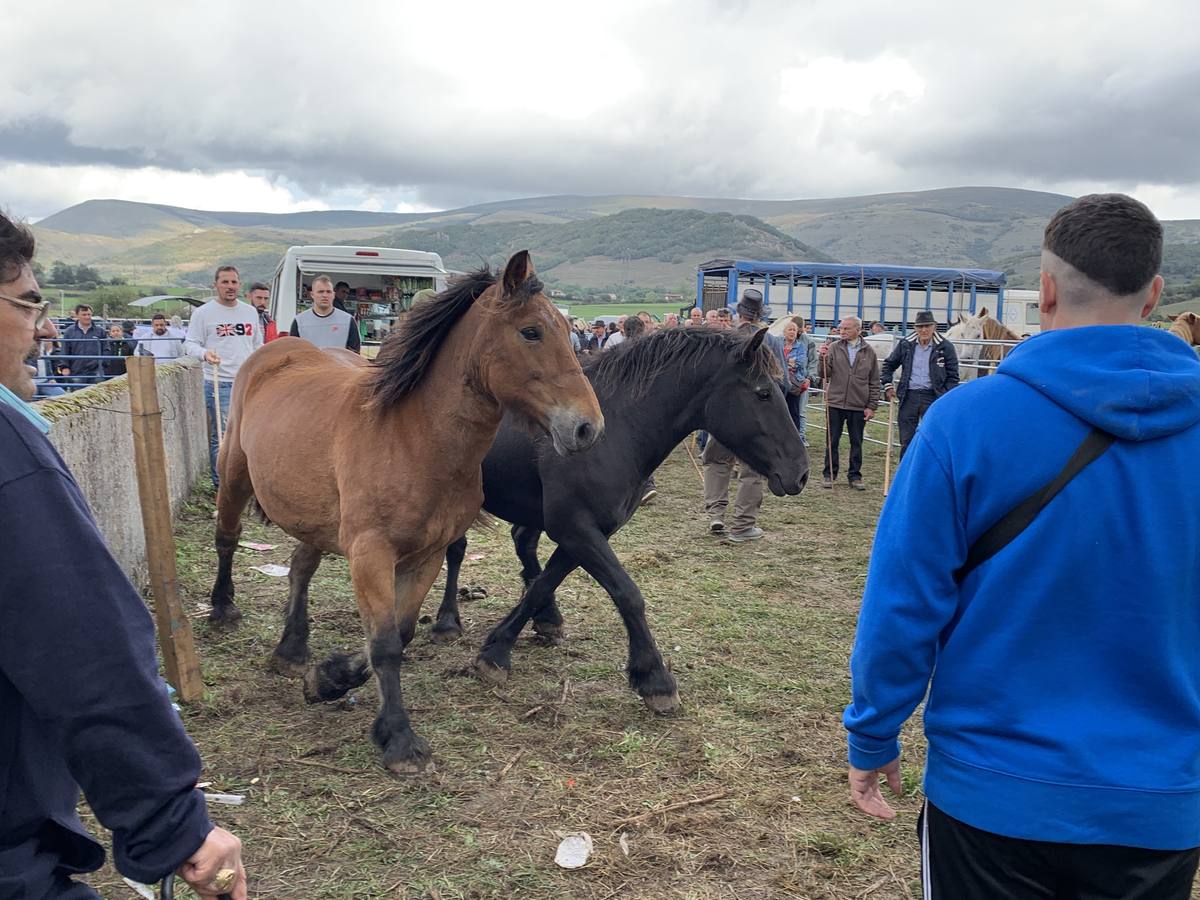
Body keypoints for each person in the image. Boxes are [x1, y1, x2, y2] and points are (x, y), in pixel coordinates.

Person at [843, 194, 1200, 899]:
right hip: (1159, 799)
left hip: (991, 791)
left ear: (1044, 292)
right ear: (1155, 294)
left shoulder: (962, 423)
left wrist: (874, 732)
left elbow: (904, 603)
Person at [0, 211, 248, 900]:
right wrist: (175, 826)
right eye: (28, 304)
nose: (44, 327)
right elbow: (84, 652)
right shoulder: (8, 457)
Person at [702, 288, 784, 542]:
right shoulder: (771, 341)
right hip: (756, 416)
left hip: (725, 415)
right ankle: (742, 525)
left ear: (739, 312)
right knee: (752, 469)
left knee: (716, 460)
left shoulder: (725, 338)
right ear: (760, 315)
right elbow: (784, 383)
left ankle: (716, 513)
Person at [184, 265, 263, 487]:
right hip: (221, 383)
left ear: (240, 285)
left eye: (234, 282)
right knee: (223, 437)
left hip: (249, 382)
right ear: (216, 285)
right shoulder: (203, 313)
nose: (230, 287)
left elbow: (257, 344)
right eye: (225, 282)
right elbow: (189, 343)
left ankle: (247, 484)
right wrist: (204, 354)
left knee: (249, 435)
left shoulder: (249, 312)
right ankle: (223, 487)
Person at [879, 310, 960, 458]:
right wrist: (888, 385)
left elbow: (953, 376)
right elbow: (889, 365)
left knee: (933, 438)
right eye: (920, 326)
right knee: (906, 440)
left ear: (934, 326)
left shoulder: (945, 347)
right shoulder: (905, 344)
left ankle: (929, 475)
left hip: (933, 396)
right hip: (909, 395)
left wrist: (944, 397)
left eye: (927, 326)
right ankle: (906, 475)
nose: (924, 330)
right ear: (915, 328)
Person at [818, 316, 879, 490]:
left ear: (858, 330)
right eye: (841, 328)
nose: (842, 331)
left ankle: (855, 476)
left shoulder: (869, 352)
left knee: (857, 442)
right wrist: (822, 357)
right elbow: (824, 373)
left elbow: (874, 381)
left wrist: (872, 405)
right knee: (832, 440)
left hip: (858, 404)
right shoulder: (834, 348)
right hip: (835, 402)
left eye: (846, 328)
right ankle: (829, 474)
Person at [290, 275, 362, 352]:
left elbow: (354, 354)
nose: (325, 295)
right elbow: (292, 353)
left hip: (338, 364)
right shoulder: (299, 321)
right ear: (312, 295)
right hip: (308, 364)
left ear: (333, 295)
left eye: (328, 292)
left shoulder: (348, 320)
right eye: (320, 292)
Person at [57, 304, 107, 388]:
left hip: (96, 371)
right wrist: (64, 366)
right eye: (84, 314)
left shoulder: (100, 331)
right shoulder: (69, 332)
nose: (87, 317)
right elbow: (64, 350)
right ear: (77, 315)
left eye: (89, 314)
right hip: (76, 370)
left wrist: (103, 364)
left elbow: (106, 349)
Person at [780, 319, 811, 441]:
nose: (792, 332)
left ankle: (796, 439)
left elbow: (799, 363)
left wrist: (783, 364)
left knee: (794, 411)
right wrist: (788, 363)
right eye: (790, 329)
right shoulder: (778, 344)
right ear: (784, 332)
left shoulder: (800, 346)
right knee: (780, 410)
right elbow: (774, 360)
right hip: (779, 382)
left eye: (795, 330)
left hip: (794, 384)